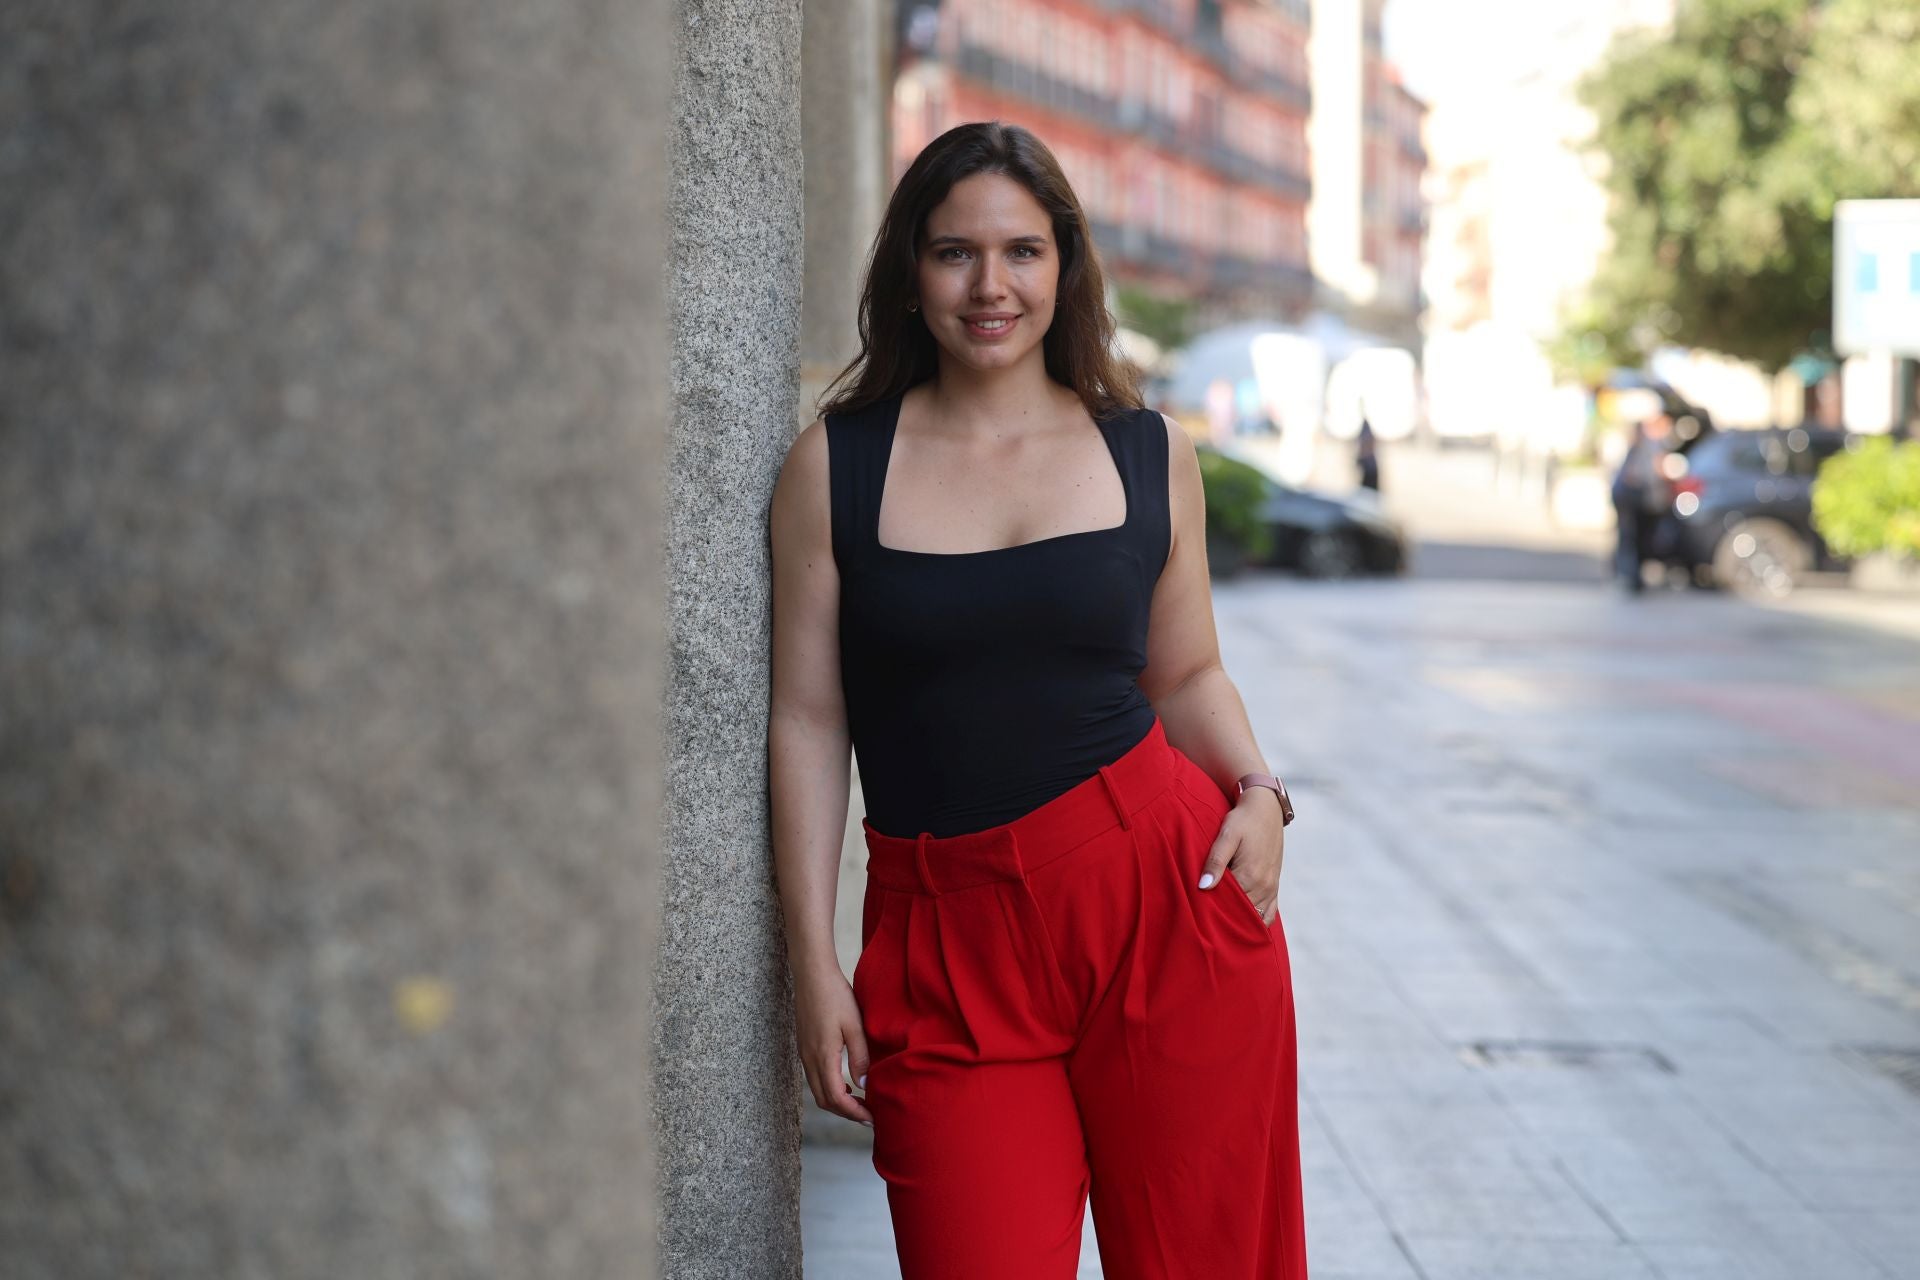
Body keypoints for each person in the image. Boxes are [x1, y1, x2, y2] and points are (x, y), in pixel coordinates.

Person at [768, 121, 1308, 1280]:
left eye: (1022, 250)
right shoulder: (838, 465)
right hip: (945, 944)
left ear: (1065, 267)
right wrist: (812, 961)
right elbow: (810, 718)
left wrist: (1260, 790)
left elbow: (1187, 673)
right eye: (955, 251)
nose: (991, 285)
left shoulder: (1145, 450)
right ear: (909, 270)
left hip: (1163, 907)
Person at [1609, 413, 1672, 593]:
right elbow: (1646, 474)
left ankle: (1627, 574)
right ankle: (1630, 576)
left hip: (1629, 497)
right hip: (1633, 498)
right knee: (1631, 537)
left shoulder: (1639, 444)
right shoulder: (1649, 446)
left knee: (1629, 537)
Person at [1355, 417, 1380, 492]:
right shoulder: (1365, 431)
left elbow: (1368, 445)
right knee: (1366, 490)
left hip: (1370, 468)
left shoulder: (1367, 432)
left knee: (1369, 491)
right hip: (1368, 467)